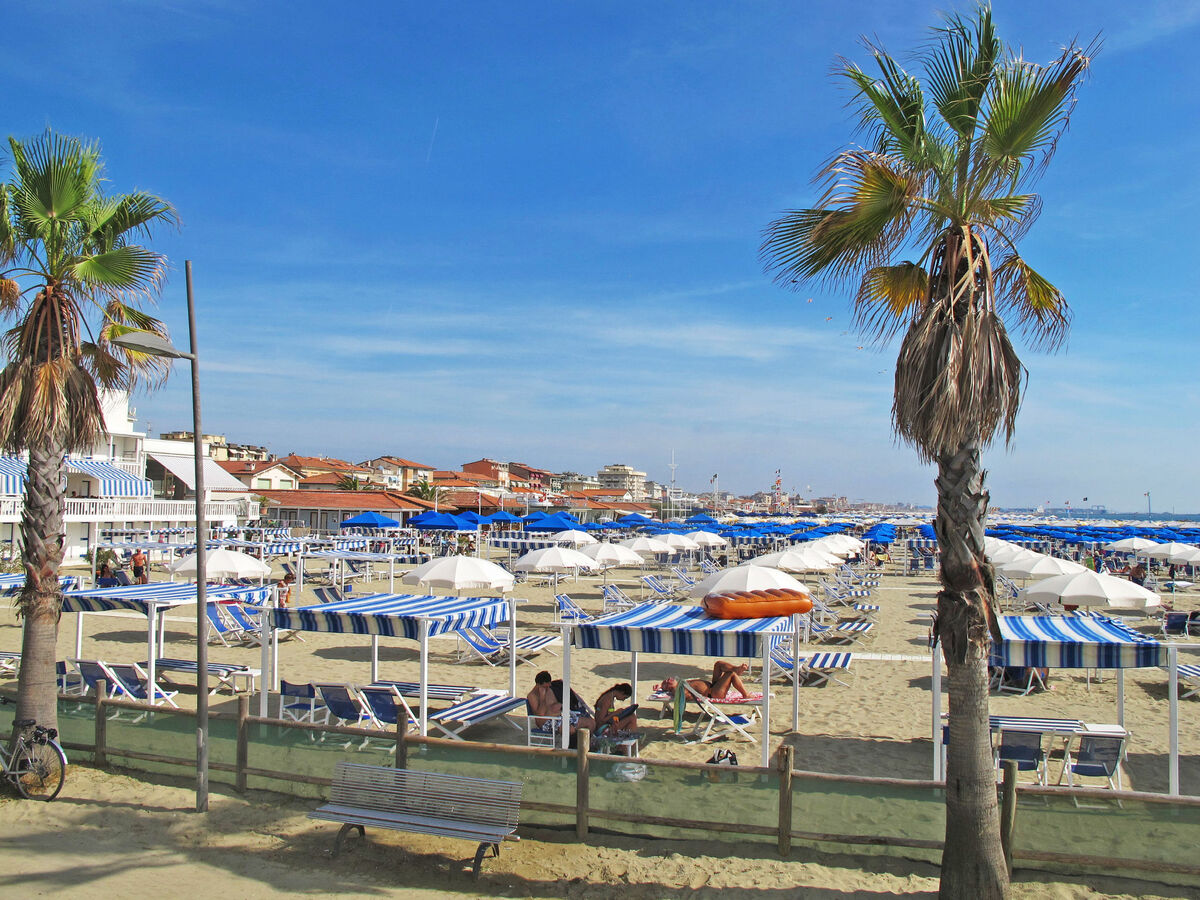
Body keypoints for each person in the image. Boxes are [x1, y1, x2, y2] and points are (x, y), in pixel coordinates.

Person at [662, 661, 753, 701]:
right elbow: (684, 697)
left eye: (666, 679)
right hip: (714, 693)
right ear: (669, 688)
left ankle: (736, 669)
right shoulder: (677, 690)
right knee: (730, 674)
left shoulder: (680, 684)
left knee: (718, 664)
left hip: (713, 686)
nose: (668, 679)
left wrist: (660, 686)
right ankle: (745, 694)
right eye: (667, 682)